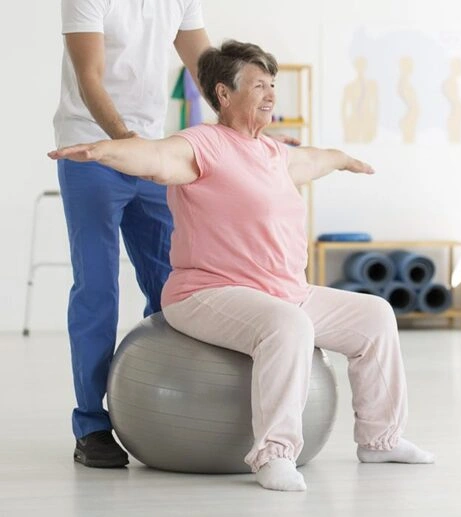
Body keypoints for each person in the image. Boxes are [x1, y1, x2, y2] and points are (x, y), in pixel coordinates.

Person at [49, 40, 435, 492]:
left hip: (283, 290)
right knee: (288, 326)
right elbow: (155, 159)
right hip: (209, 293)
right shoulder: (202, 144)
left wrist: (342, 159)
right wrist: (104, 152)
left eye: (273, 84)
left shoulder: (273, 153)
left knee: (375, 317)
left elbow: (312, 159)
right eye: (258, 85)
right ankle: (274, 454)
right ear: (224, 94)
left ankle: (380, 438)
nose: (271, 93)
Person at [53, 0, 215, 469]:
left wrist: (244, 122)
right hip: (91, 150)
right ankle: (92, 425)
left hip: (148, 153)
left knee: (173, 286)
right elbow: (90, 77)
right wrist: (123, 141)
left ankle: (168, 404)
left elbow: (205, 68)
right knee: (98, 289)